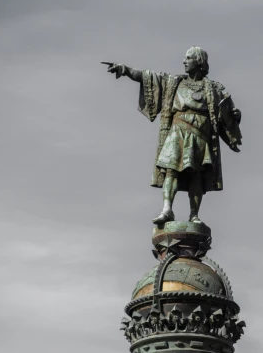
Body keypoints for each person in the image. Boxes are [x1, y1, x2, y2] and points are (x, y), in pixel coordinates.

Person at [103, 47, 242, 224]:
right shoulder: (174, 82)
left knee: (196, 175)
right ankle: (167, 209)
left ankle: (194, 214)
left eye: (188, 58)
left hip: (201, 135)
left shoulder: (215, 88)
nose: (184, 61)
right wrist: (125, 70)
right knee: (171, 171)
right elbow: (148, 78)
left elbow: (230, 112)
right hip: (178, 131)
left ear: (199, 62)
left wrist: (236, 115)